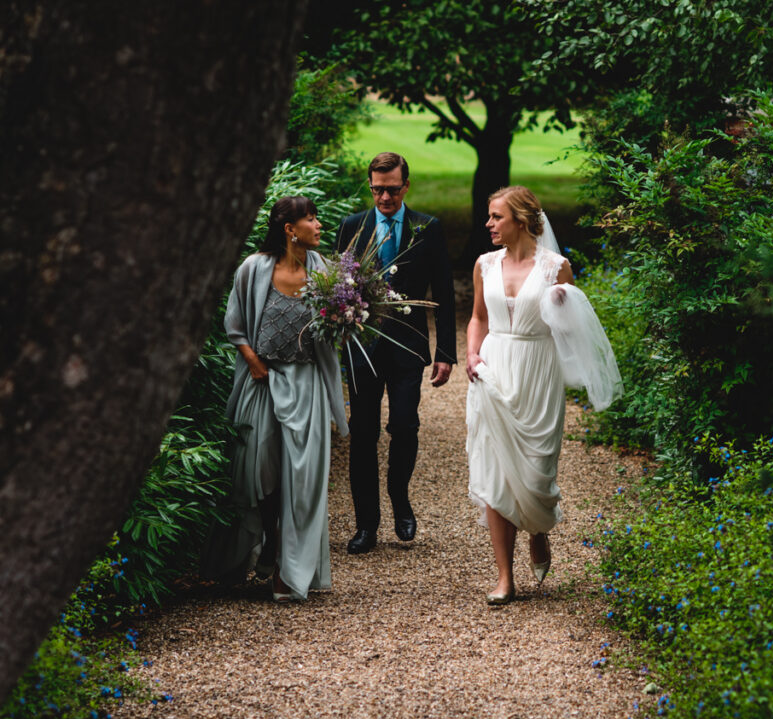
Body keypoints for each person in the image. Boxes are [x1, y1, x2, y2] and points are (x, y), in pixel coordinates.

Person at [466, 186, 621, 605]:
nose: (489, 224)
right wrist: (472, 354)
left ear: (520, 219)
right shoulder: (485, 264)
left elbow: (573, 332)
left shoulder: (557, 267)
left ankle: (538, 528)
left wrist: (562, 305)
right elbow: (478, 317)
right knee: (497, 471)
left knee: (536, 469)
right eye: (489, 216)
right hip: (495, 365)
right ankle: (504, 577)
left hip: (537, 369)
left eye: (496, 217)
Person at [202, 196, 349, 602]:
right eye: (311, 218)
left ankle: (289, 570)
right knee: (256, 473)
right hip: (260, 381)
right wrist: (251, 360)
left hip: (305, 384)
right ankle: (265, 540)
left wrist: (349, 317)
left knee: (301, 479)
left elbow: (335, 336)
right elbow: (234, 325)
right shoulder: (253, 269)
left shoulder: (326, 274)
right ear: (290, 229)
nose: (319, 225)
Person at [334, 152, 456, 554]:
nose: (384, 197)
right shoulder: (352, 226)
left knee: (405, 425)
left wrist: (446, 352)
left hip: (408, 345)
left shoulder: (428, 228)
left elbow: (443, 291)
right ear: (370, 186)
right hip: (362, 348)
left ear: (406, 185)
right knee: (363, 434)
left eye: (391, 189)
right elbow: (338, 288)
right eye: (377, 189)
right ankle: (366, 524)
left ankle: (399, 498)